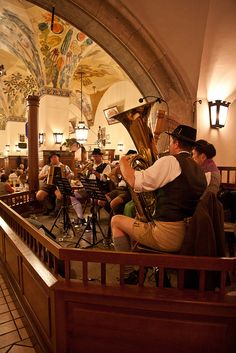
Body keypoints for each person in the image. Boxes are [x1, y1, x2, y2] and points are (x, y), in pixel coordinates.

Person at [111, 124, 207, 283]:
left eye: (171, 142)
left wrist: (122, 161)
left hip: (167, 236)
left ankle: (128, 275)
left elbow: (135, 180)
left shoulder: (171, 161)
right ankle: (157, 272)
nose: (170, 145)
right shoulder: (199, 170)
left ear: (176, 143)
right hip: (189, 235)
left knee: (116, 221)